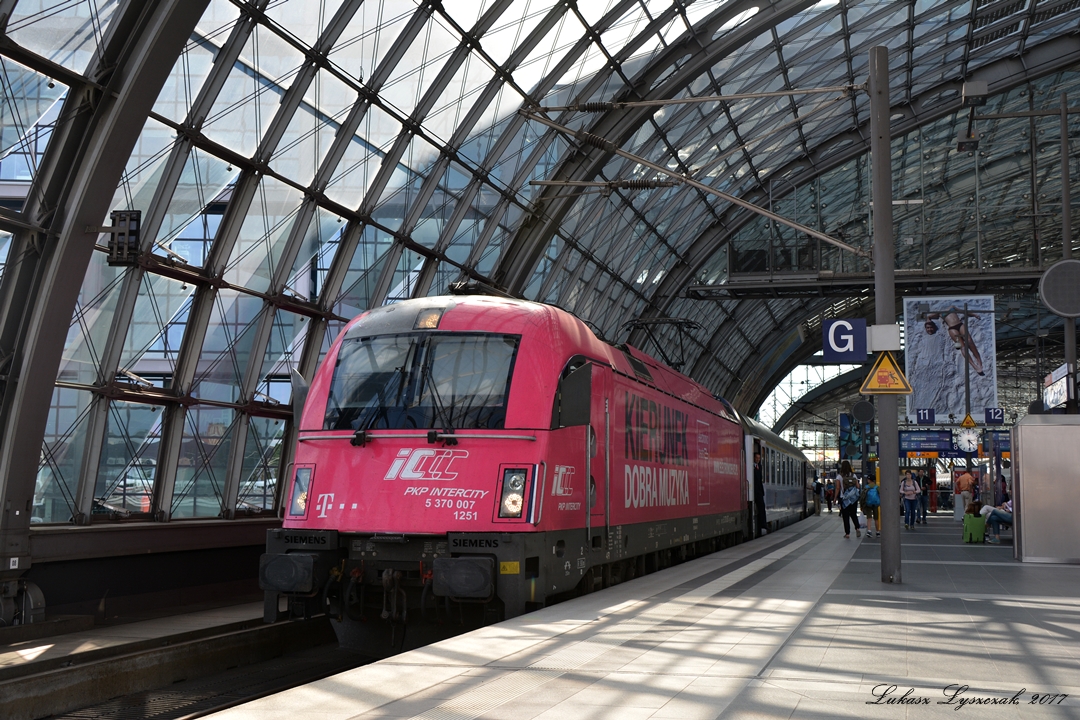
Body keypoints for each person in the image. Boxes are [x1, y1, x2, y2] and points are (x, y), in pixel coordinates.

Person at [923, 308, 985, 375]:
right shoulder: (939, 312)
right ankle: (974, 365)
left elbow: (963, 311)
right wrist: (929, 324)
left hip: (960, 325)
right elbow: (929, 317)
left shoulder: (952, 307)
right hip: (952, 328)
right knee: (962, 346)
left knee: (970, 341)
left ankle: (978, 360)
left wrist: (974, 315)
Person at [838, 460, 861, 539]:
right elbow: (858, 486)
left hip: (844, 498)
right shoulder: (853, 475)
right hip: (853, 499)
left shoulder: (839, 476)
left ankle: (847, 533)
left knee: (845, 516)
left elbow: (838, 488)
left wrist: (835, 498)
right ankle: (857, 528)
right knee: (853, 514)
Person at [860, 473, 881, 538]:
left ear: (869, 480)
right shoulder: (877, 487)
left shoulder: (866, 487)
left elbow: (862, 497)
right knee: (876, 518)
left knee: (869, 518)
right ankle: (877, 532)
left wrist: (862, 505)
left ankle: (869, 531)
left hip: (868, 504)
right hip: (876, 504)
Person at [753, 451, 767, 537]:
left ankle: (763, 524)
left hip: (759, 491)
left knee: (762, 506)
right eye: (756, 458)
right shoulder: (752, 466)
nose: (758, 460)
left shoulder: (760, 466)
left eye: (759, 458)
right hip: (753, 490)